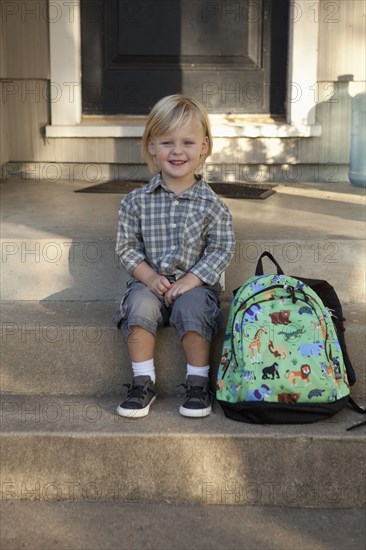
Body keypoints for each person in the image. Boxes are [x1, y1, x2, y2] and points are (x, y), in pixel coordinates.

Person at [114, 94, 235, 418]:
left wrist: (192, 279)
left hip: (195, 286)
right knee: (138, 307)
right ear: (152, 146)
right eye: (167, 142)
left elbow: (221, 248)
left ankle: (198, 383)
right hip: (149, 283)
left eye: (188, 142)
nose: (178, 151)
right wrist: (150, 277)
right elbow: (126, 247)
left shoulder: (213, 205)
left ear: (204, 146)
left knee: (195, 308)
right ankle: (143, 381)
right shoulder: (135, 202)